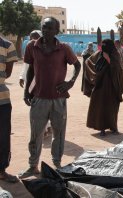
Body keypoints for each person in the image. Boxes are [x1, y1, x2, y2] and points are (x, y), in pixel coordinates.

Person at [20, 17, 81, 178]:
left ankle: (57, 165)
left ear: (56, 31)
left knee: (58, 134)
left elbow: (77, 65)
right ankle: (33, 166)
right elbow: (30, 69)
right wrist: (26, 91)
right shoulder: (32, 47)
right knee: (36, 134)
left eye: (49, 28)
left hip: (59, 99)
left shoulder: (64, 48)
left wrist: (71, 83)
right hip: (39, 98)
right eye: (43, 27)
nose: (45, 30)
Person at [85, 39, 123, 136]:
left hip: (113, 86)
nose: (104, 47)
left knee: (112, 108)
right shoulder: (99, 53)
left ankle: (113, 127)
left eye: (105, 45)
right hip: (100, 86)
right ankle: (102, 128)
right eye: (102, 45)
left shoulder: (115, 54)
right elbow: (88, 61)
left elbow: (119, 69)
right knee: (100, 107)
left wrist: (108, 59)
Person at [19, 30, 53, 138]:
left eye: (35, 37)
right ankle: (44, 128)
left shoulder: (48, 49)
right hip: (33, 83)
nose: (33, 39)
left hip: (46, 82)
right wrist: (21, 77)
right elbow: (26, 65)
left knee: (46, 105)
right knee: (36, 105)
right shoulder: (30, 49)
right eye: (31, 37)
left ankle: (46, 127)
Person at [0, 36, 19, 183]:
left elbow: (8, 73)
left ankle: (1, 171)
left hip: (2, 100)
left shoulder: (7, 45)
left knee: (3, 136)